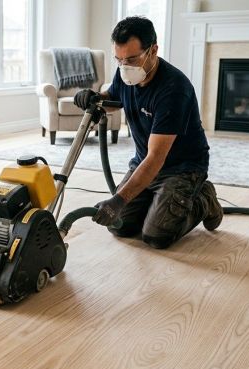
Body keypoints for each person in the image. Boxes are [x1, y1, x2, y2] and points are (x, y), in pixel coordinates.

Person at [74, 15, 223, 249]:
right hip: (143, 162)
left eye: (132, 59)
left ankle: (204, 198)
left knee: (156, 236)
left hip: (181, 169)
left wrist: (119, 200)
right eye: (119, 60)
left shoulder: (174, 89)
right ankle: (158, 202)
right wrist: (95, 97)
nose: (125, 67)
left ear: (153, 50)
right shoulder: (125, 73)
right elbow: (114, 95)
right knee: (119, 226)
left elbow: (156, 158)